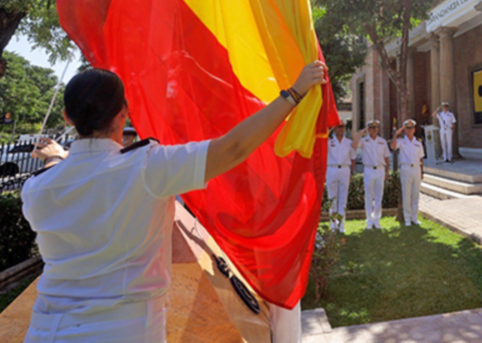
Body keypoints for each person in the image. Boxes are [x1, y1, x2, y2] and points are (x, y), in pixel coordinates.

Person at [22, 62, 327, 342]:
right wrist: (294, 93)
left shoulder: (36, 189)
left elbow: (61, 172)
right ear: (123, 112)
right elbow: (233, 148)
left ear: (67, 117)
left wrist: (55, 157)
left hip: (47, 331)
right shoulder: (149, 168)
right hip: (124, 331)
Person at [353, 120, 390, 230]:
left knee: (379, 196)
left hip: (380, 170)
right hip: (368, 169)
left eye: (375, 128)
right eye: (371, 128)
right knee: (369, 196)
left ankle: (377, 220)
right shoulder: (364, 141)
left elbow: (386, 157)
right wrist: (361, 133)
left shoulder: (382, 141)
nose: (374, 130)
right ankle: (369, 220)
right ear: (368, 129)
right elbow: (354, 145)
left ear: (378, 129)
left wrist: (387, 171)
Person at [391, 119, 425, 226]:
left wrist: (422, 171)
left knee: (415, 195)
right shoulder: (401, 141)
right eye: (408, 128)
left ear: (414, 129)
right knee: (406, 194)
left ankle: (414, 218)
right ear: (405, 130)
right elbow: (392, 146)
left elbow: (421, 158)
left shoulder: (418, 143)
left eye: (411, 128)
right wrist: (396, 134)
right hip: (405, 168)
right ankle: (407, 219)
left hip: (416, 169)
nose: (410, 130)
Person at [326, 124, 355, 234]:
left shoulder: (349, 142)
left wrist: (351, 172)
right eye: (338, 127)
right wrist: (329, 130)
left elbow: (353, 158)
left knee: (343, 199)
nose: (340, 129)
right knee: (332, 199)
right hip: (332, 169)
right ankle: (333, 225)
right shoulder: (329, 141)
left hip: (344, 170)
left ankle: (341, 224)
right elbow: (321, 141)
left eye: (342, 127)